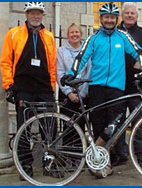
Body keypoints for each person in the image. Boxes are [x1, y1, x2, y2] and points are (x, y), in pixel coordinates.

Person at [61, 2, 142, 178]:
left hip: (117, 89)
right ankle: (103, 164)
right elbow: (81, 56)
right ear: (101, 19)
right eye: (106, 17)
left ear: (115, 19)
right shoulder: (93, 38)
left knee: (115, 126)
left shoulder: (123, 37)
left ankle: (97, 157)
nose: (109, 20)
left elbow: (138, 52)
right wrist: (71, 73)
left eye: (112, 17)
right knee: (98, 126)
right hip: (96, 89)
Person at [0, 2, 57, 180]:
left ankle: (49, 162)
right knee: (23, 128)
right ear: (26, 15)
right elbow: (6, 61)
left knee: (49, 127)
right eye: (32, 13)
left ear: (42, 15)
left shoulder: (48, 36)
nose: (35, 16)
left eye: (38, 13)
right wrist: (8, 85)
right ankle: (25, 165)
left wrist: (52, 85)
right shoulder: (14, 34)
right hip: (23, 89)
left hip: (44, 88)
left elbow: (53, 64)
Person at [111, 2, 142, 168]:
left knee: (139, 122)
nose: (130, 15)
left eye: (133, 13)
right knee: (118, 122)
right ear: (122, 15)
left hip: (138, 86)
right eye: (127, 13)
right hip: (117, 85)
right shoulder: (114, 33)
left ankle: (141, 155)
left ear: (137, 16)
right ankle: (120, 154)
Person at [56, 23, 90, 167]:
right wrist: (69, 93)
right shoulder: (61, 51)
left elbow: (89, 71)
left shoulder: (86, 50)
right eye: (71, 32)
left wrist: (81, 93)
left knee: (81, 126)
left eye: (77, 32)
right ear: (67, 34)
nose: (74, 34)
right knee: (67, 126)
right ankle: (68, 157)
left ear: (80, 34)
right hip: (67, 94)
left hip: (83, 93)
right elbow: (59, 73)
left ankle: (79, 158)